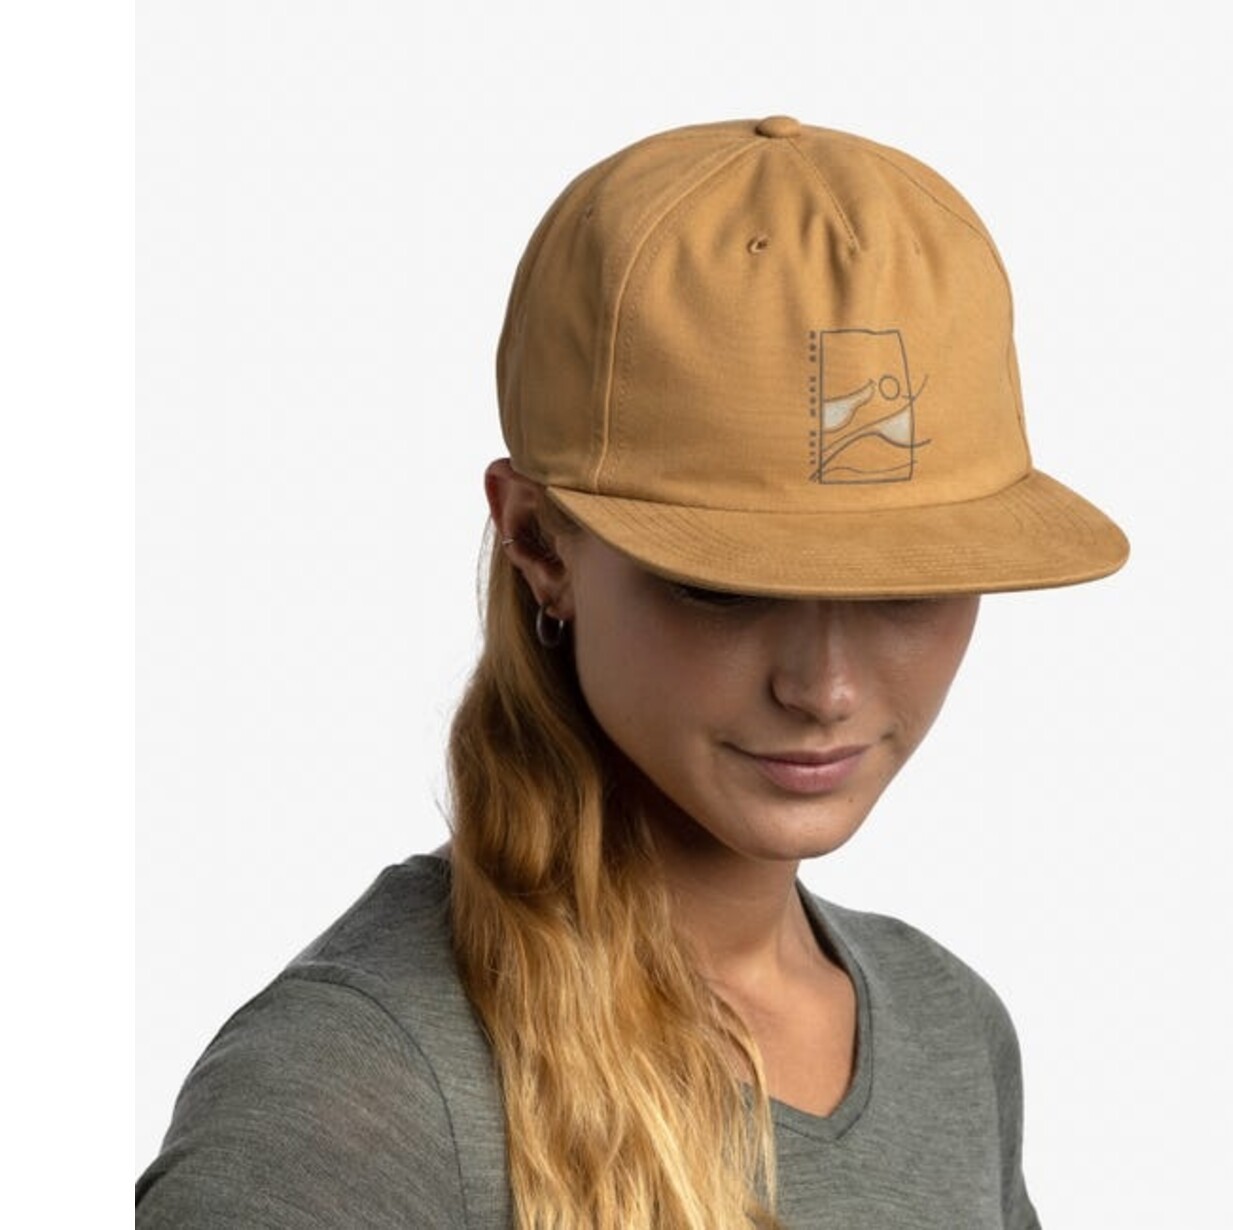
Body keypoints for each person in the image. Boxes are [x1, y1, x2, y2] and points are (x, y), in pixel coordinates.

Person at [137, 116, 1127, 1229]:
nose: (825, 689)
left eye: (908, 585)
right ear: (539, 543)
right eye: (724, 587)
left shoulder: (952, 1036)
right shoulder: (353, 1089)